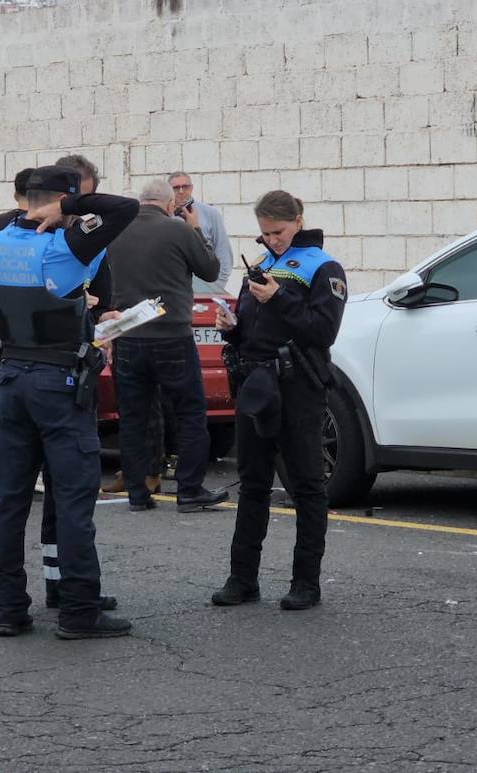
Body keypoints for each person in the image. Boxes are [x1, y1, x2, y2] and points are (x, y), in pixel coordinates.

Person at [0, 164, 139, 639]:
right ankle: (79, 611)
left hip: (10, 382)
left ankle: (10, 609)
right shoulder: (67, 245)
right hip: (59, 385)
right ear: (60, 201)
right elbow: (126, 208)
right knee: (72, 500)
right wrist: (69, 207)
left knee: (10, 499)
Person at [210, 190, 347, 611]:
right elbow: (255, 330)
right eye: (266, 233)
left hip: (298, 386)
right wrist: (232, 326)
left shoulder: (323, 267)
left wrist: (279, 298)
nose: (272, 240)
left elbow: (323, 331)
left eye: (279, 232)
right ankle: (242, 579)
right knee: (253, 482)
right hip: (257, 383)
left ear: (298, 221)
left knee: (306, 484)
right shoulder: (263, 263)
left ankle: (306, 582)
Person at [105, 178, 230, 512]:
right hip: (171, 336)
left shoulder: (117, 231)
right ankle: (189, 490)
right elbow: (210, 269)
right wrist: (195, 229)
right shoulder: (178, 229)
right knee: (190, 412)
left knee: (133, 416)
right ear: (169, 204)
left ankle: (137, 492)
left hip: (128, 337)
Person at [168, 172, 232, 288]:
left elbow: (223, 253)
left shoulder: (210, 214)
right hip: (174, 288)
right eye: (176, 188)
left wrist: (217, 286)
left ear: (191, 188)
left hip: (206, 287)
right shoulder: (165, 216)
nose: (181, 191)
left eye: (185, 187)